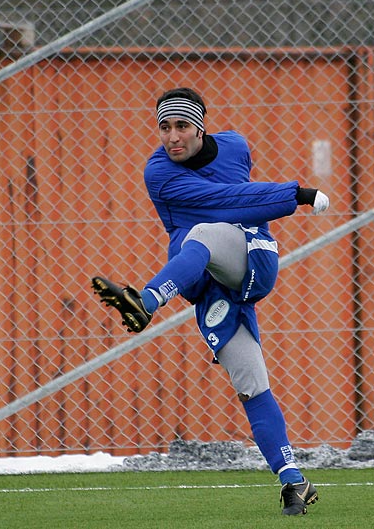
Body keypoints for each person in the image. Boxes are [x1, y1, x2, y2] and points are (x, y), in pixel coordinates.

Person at [92, 87, 329, 516]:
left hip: (250, 257)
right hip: (206, 283)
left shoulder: (235, 145)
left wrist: (294, 195)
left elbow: (233, 201)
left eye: (181, 126)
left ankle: (146, 300)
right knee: (251, 384)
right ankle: (293, 481)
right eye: (164, 127)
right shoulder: (158, 173)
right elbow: (220, 199)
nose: (172, 137)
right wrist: (292, 194)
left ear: (201, 127)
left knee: (203, 233)